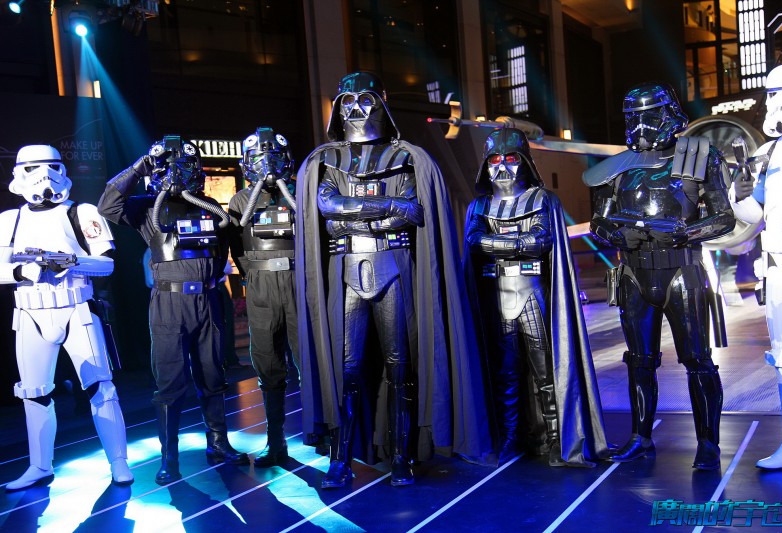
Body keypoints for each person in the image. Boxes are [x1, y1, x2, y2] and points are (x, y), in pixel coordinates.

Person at [296, 72, 492, 488]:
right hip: (347, 269)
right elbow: (328, 208)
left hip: (395, 266)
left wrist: (356, 215)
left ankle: (402, 455)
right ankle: (340, 459)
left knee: (400, 366)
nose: (356, 110)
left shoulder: (407, 158)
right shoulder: (325, 161)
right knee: (347, 370)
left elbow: (414, 211)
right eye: (347, 101)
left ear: (380, 103)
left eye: (365, 100)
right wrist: (389, 207)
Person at [582, 82, 735, 470]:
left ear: (669, 115)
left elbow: (724, 217)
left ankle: (708, 443)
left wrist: (684, 232)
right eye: (633, 117)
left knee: (698, 359)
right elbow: (599, 220)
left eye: (649, 116)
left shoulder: (700, 156)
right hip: (634, 273)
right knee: (639, 360)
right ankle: (640, 437)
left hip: (682, 270)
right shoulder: (617, 167)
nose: (641, 125)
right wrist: (617, 234)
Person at [98, 135, 248, 485]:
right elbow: (108, 204)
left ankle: (218, 442)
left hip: (208, 301)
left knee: (213, 376)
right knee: (169, 383)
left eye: (185, 164)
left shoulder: (209, 206)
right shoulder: (146, 208)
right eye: (171, 165)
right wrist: (140, 166)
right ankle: (169, 456)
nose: (179, 171)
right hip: (170, 303)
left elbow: (224, 246)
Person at [463, 128, 609, 467]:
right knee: (505, 373)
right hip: (497, 297)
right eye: (494, 160)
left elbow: (541, 242)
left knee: (546, 373)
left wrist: (498, 245)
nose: (502, 167)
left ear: (524, 161)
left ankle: (556, 439)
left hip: (533, 295)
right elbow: (474, 241)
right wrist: (518, 243)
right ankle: (510, 438)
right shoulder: (479, 205)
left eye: (510, 159)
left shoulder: (543, 200)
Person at [0, 144, 133, 490]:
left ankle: (118, 462)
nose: (44, 176)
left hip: (76, 308)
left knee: (101, 387)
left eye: (51, 166)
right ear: (19, 174)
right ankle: (39, 466)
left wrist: (73, 262)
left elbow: (107, 264)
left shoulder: (81, 212)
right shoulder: (9, 220)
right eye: (34, 168)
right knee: (33, 392)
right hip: (30, 312)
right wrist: (23, 271)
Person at [728, 60, 782, 469]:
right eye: (773, 94)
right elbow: (754, 216)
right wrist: (740, 194)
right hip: (781, 273)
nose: (779, 102)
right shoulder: (768, 153)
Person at [228, 127, 299, 467]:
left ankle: (326, 435)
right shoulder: (241, 200)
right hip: (261, 285)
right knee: (268, 364)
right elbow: (235, 244)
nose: (267, 163)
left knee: (311, 361)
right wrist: (253, 277)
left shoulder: (298, 192)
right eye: (259, 157)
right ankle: (276, 442)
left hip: (298, 282)